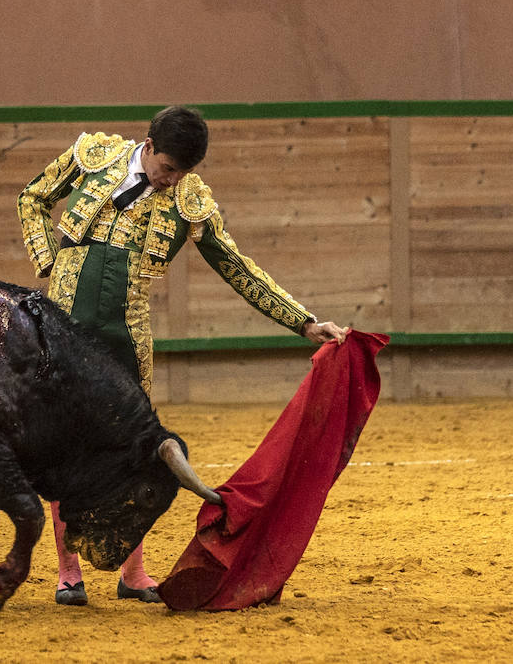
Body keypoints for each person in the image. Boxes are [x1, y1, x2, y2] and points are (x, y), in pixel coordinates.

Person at [18, 105, 350, 607]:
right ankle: (69, 572)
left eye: (182, 173)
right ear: (148, 147)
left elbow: (235, 266)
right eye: (167, 168)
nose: (172, 181)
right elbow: (33, 197)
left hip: (126, 337)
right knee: (64, 449)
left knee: (134, 453)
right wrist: (48, 258)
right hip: (63, 330)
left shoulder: (191, 200)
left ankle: (133, 572)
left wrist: (302, 321)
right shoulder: (93, 156)